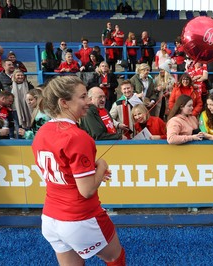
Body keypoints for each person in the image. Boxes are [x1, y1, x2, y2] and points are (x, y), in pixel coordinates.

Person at [31, 76, 126, 265]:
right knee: (115, 257)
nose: (89, 102)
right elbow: (87, 190)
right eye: (83, 97)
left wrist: (92, 169)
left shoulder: (42, 132)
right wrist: (102, 165)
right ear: (64, 103)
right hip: (80, 217)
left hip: (50, 217)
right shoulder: (77, 136)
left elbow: (61, 171)